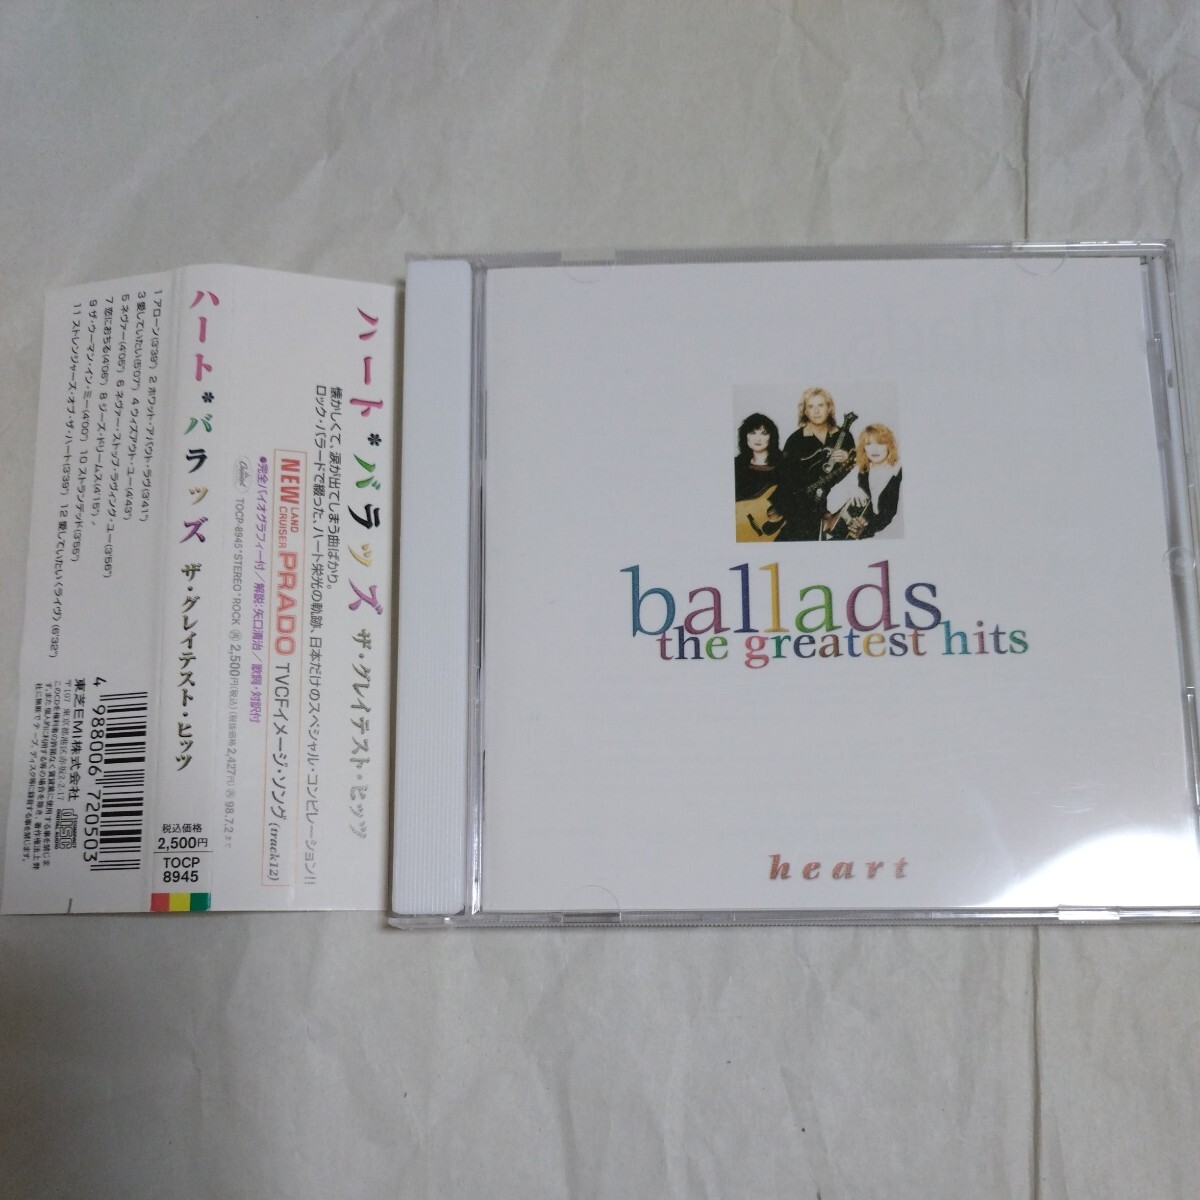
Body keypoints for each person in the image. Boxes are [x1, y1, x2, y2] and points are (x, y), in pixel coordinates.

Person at [776, 387, 855, 541]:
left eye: (821, 405)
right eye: (811, 406)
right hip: (804, 507)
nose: (816, 411)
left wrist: (848, 457)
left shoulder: (844, 436)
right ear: (805, 411)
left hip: (837, 504)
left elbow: (856, 470)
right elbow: (785, 476)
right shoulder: (795, 440)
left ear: (829, 408)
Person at [824, 423, 903, 540]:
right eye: (869, 444)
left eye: (880, 443)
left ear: (889, 446)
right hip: (848, 534)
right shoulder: (860, 469)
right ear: (864, 448)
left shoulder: (897, 473)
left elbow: (889, 517)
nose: (874, 449)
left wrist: (865, 527)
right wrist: (852, 490)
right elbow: (830, 503)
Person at [734, 413, 785, 540]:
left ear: (771, 437)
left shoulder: (784, 462)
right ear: (745, 436)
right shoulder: (737, 464)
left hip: (772, 531)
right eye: (752, 433)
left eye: (764, 433)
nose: (758, 438)